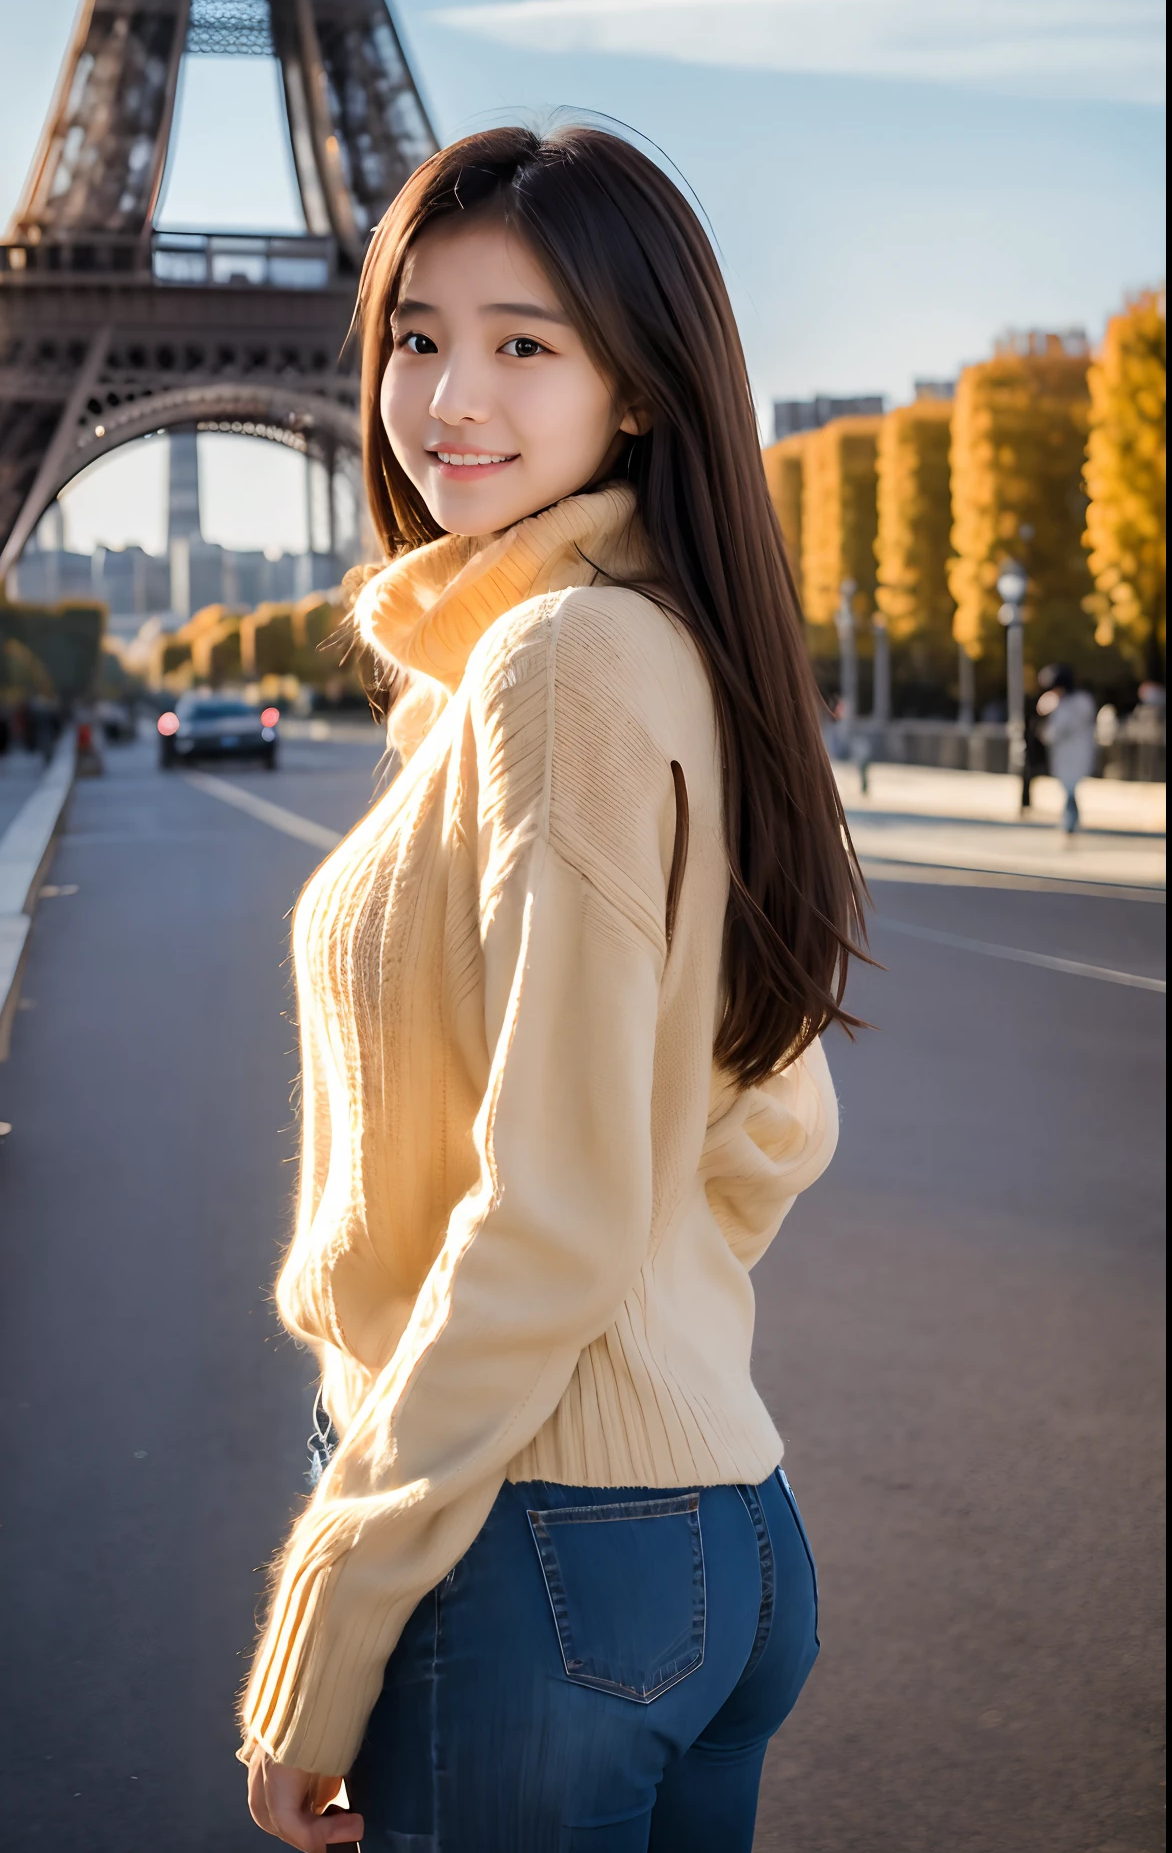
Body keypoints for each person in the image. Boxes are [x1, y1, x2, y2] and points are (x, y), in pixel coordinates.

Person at [239, 126, 866, 1853]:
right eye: (417, 333)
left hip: (536, 1559)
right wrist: (643, 1312)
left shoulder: (554, 660)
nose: (451, 391)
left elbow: (559, 1208)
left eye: (528, 342)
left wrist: (333, 1602)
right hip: (706, 1533)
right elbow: (776, 1112)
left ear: (639, 388)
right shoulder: (651, 640)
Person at [1036, 663, 1097, 834]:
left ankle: (1070, 819)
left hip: (1072, 752)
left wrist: (1046, 734)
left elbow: (1059, 728)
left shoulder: (1071, 703)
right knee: (1069, 787)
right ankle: (1071, 818)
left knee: (1069, 786)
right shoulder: (1078, 701)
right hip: (1072, 752)